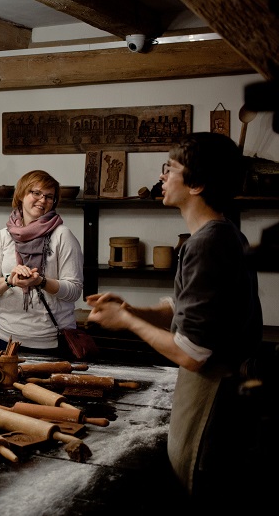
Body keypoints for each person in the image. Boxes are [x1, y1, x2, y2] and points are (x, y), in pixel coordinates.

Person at [86, 132, 264, 510]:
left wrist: (129, 323)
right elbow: (183, 306)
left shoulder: (207, 243)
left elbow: (192, 354)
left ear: (197, 184)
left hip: (214, 401)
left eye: (171, 169)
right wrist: (132, 310)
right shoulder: (218, 234)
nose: (162, 177)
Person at [0, 170, 83, 353]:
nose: (43, 200)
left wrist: (40, 281)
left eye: (49, 197)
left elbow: (74, 290)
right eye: (36, 193)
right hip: (6, 337)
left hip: (50, 340)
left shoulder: (62, 236)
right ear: (21, 194)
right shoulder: (4, 236)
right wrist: (10, 280)